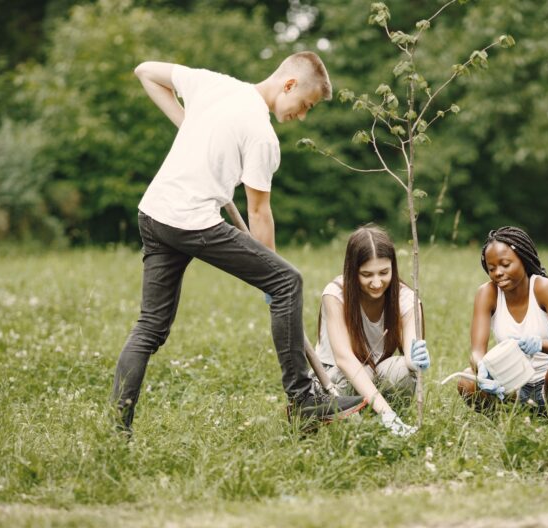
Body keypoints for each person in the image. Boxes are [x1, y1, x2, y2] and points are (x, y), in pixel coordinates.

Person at [111, 52, 366, 435]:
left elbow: (145, 71)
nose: (303, 115)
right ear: (289, 84)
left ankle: (118, 426)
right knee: (287, 281)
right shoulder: (261, 135)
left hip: (154, 214)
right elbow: (259, 214)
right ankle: (304, 399)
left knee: (150, 327)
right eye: (305, 105)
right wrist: (272, 278)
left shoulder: (214, 82)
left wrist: (187, 123)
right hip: (190, 220)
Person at [314, 225, 430, 437]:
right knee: (359, 375)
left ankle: (386, 426)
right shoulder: (335, 295)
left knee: (403, 370)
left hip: (376, 374)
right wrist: (386, 412)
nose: (377, 283)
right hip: (337, 379)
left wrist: (416, 359)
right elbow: (344, 359)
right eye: (366, 274)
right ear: (352, 271)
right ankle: (379, 419)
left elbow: (410, 346)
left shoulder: (405, 297)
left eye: (384, 273)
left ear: (393, 268)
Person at [456, 226, 548, 413]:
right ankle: (501, 422)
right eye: (492, 268)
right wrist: (483, 367)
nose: (498, 272)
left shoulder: (543, 288)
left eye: (505, 264)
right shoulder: (487, 293)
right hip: (510, 387)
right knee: (467, 379)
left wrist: (541, 344)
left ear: (523, 260)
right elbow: (476, 351)